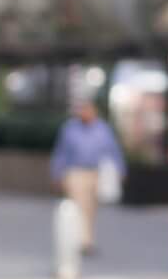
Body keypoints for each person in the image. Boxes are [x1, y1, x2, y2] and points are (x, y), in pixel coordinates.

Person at [51, 99, 124, 256]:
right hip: (76, 172)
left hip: (96, 173)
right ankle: (83, 242)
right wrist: (57, 173)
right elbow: (61, 152)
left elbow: (113, 151)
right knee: (79, 207)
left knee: (90, 210)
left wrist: (120, 170)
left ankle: (86, 239)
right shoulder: (70, 129)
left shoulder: (102, 129)